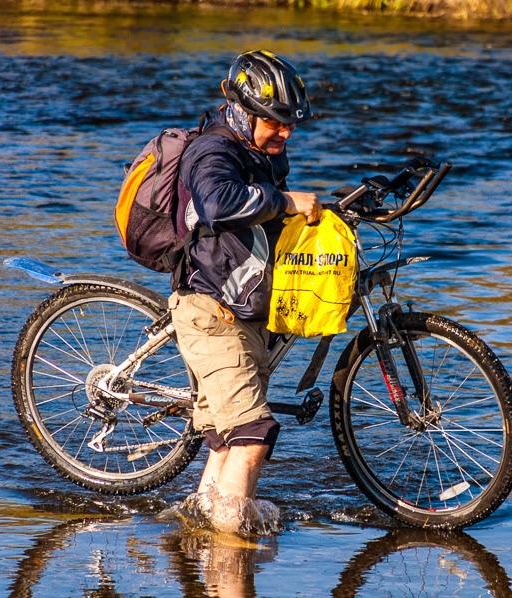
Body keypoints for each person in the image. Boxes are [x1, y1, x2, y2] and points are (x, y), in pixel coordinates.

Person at [168, 50, 320, 519]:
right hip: (211, 312)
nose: (285, 132)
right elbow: (217, 204)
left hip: (243, 307)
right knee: (254, 435)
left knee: (224, 441)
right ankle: (232, 551)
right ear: (242, 110)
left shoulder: (262, 150)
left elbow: (266, 213)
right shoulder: (212, 151)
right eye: (275, 122)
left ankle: (205, 535)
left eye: (290, 123)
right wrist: (286, 201)